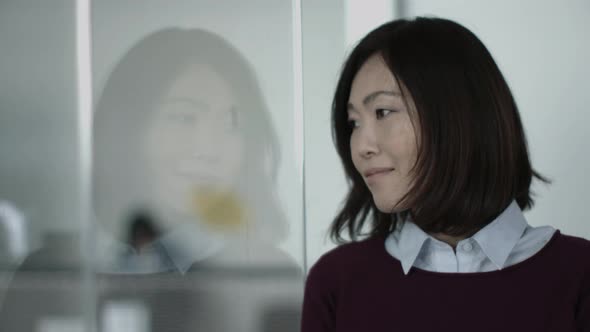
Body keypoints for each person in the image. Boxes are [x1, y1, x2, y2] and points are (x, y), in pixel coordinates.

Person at [0, 28, 302, 332]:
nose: (208, 148)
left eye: (231, 124)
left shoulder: (269, 277)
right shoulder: (55, 273)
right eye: (183, 118)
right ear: (130, 128)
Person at [300, 17, 589, 332]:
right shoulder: (336, 283)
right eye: (354, 122)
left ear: (457, 116)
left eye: (383, 112)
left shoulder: (580, 276)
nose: (361, 146)